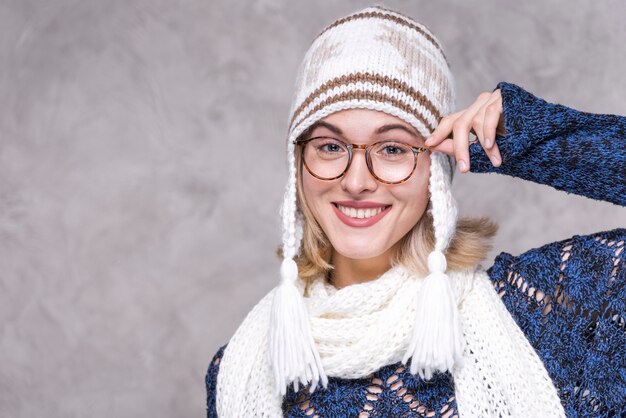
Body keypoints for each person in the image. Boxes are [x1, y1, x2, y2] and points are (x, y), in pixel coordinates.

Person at [206, 6, 625, 417]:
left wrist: (531, 137)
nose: (356, 182)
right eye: (330, 147)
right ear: (297, 165)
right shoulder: (240, 370)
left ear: (435, 169)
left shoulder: (554, 314)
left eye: (392, 149)